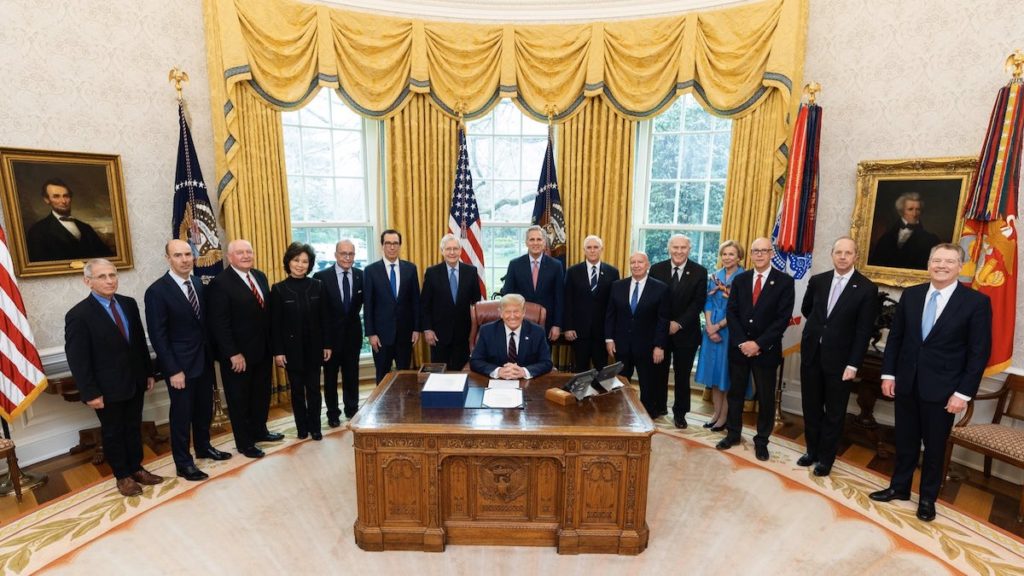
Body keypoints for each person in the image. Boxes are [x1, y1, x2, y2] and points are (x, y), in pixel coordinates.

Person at [869, 243, 991, 522]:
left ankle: (927, 499)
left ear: (960, 267)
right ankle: (899, 488)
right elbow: (896, 339)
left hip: (944, 389)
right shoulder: (911, 296)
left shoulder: (976, 303)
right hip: (907, 383)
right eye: (937, 260)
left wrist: (963, 393)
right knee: (905, 440)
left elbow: (978, 353)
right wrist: (889, 374)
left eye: (949, 261)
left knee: (934, 448)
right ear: (928, 264)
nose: (942, 266)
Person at [65, 259, 162, 497]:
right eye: (102, 277)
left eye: (113, 275)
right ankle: (123, 476)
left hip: (135, 381)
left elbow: (139, 343)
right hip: (106, 388)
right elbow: (78, 359)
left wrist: (149, 373)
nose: (109, 281)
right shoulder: (79, 315)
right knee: (113, 432)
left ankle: (137, 468)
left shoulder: (128, 304)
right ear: (87, 281)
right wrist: (90, 392)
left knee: (133, 427)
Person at [144, 240, 231, 483]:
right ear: (168, 259)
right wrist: (173, 370)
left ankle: (204, 447)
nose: (184, 259)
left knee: (203, 410)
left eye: (188, 255)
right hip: (180, 367)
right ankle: (183, 463)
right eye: (178, 255)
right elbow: (158, 336)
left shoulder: (197, 283)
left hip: (203, 361)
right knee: (182, 415)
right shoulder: (157, 291)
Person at [798, 237, 878, 476]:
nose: (843, 257)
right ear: (832, 255)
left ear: (856, 256)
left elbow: (864, 331)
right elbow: (807, 310)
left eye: (848, 253)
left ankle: (825, 458)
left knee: (834, 412)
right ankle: (811, 450)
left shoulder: (866, 288)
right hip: (812, 354)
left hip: (841, 362)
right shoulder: (818, 281)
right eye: (838, 252)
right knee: (811, 407)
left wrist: (854, 364)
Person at [716, 237, 794, 461]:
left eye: (764, 251)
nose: (759, 254)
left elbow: (782, 319)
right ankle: (733, 434)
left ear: (772, 254)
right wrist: (742, 343)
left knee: (766, 398)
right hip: (739, 349)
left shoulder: (784, 282)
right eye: (755, 251)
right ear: (750, 254)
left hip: (765, 350)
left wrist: (758, 344)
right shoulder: (740, 280)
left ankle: (761, 441)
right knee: (736, 394)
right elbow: (732, 313)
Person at [207, 239, 283, 459]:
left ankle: (260, 431)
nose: (246, 255)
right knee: (239, 400)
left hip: (262, 350)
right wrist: (232, 353)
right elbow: (219, 324)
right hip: (237, 356)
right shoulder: (220, 283)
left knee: (261, 395)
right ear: (230, 257)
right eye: (240, 252)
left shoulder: (259, 276)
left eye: (249, 251)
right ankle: (244, 443)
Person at [271, 242, 332, 441]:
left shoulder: (318, 286)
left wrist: (327, 345)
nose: (300, 264)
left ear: (310, 264)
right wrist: (278, 352)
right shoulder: (278, 289)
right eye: (296, 260)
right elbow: (275, 325)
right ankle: (301, 428)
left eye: (305, 261)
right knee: (297, 391)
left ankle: (315, 427)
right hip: (291, 351)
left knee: (314, 390)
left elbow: (325, 319)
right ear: (288, 262)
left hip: (315, 349)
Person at [649, 234, 708, 428]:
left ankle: (680, 413)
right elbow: (653, 300)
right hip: (660, 331)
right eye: (675, 247)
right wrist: (666, 324)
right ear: (669, 249)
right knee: (659, 372)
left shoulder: (699, 271)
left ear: (689, 250)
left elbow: (698, 303)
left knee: (683, 376)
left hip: (686, 333)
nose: (679, 251)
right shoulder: (657, 269)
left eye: (683, 248)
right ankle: (658, 407)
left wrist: (678, 323)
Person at [605, 252, 670, 419]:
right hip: (621, 344)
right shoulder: (618, 286)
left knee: (647, 385)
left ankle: (646, 416)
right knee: (620, 382)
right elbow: (610, 315)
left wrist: (659, 346)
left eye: (640, 262)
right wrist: (609, 339)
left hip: (648, 346)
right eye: (632, 262)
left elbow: (663, 320)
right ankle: (621, 412)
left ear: (647, 264)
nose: (636, 265)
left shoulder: (660, 288)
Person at [694, 240, 745, 431]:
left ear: (739, 257)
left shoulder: (744, 277)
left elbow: (740, 308)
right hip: (710, 329)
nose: (727, 257)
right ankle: (715, 414)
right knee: (714, 376)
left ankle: (724, 417)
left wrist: (719, 326)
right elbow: (707, 302)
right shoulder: (715, 276)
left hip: (730, 329)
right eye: (724, 254)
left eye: (731, 254)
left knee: (726, 376)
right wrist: (709, 326)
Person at [313, 239, 364, 425]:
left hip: (353, 336)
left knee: (352, 376)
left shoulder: (361, 275)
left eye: (351, 254)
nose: (347, 258)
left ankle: (352, 410)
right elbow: (318, 313)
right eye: (343, 254)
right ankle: (333, 414)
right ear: (335, 255)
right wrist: (323, 342)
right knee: (330, 378)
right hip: (330, 340)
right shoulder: (321, 276)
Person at [363, 229, 420, 383]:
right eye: (388, 243)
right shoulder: (370, 271)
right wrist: (371, 334)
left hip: (405, 334)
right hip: (381, 336)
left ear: (400, 245)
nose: (392, 247)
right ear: (382, 245)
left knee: (405, 376)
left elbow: (415, 301)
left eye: (395, 243)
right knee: (382, 377)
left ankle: (405, 407)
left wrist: (416, 328)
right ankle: (381, 407)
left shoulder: (410, 269)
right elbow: (368, 305)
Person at [421, 234, 482, 370]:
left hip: (464, 334)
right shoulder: (432, 273)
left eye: (455, 248)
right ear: (442, 251)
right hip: (438, 335)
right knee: (439, 373)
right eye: (448, 249)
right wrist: (427, 329)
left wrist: (476, 332)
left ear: (460, 250)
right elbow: (425, 305)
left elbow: (476, 302)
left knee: (461, 373)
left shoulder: (471, 272)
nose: (452, 252)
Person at [563, 235, 620, 372]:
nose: (592, 250)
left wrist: (611, 333)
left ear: (602, 249)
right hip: (579, 332)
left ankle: (599, 394)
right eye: (589, 247)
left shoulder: (612, 272)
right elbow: (567, 300)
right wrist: (568, 327)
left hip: (602, 333)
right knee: (580, 370)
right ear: (584, 250)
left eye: (596, 247)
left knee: (602, 371)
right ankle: (581, 395)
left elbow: (614, 305)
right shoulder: (572, 272)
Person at [501, 225, 564, 342]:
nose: (535, 243)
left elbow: (559, 297)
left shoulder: (556, 266)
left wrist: (557, 325)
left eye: (539, 239)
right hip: (519, 321)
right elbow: (507, 295)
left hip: (547, 324)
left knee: (542, 358)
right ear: (526, 242)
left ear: (544, 242)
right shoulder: (515, 264)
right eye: (532, 239)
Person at [26, 178, 113, 262]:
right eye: (56, 197)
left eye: (66, 196)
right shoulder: (37, 231)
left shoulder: (86, 228)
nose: (63, 201)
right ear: (47, 200)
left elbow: (106, 257)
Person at [470, 293, 553, 378]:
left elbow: (546, 362)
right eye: (507, 312)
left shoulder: (537, 332)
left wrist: (524, 371)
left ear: (523, 312)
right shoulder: (487, 331)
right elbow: (475, 361)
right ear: (501, 313)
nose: (512, 316)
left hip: (527, 383)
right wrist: (498, 371)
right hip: (496, 383)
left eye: (516, 311)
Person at [869, 191, 941, 270]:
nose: (914, 214)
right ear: (901, 211)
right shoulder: (886, 237)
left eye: (918, 209)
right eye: (910, 209)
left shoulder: (930, 240)